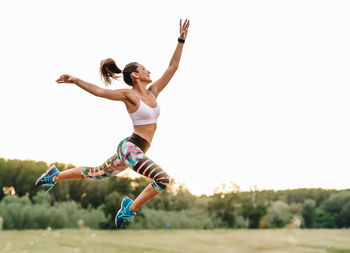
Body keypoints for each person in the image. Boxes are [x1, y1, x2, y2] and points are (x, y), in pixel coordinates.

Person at [35, 19, 190, 228]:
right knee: (162, 179)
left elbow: (173, 67)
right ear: (135, 75)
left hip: (132, 151)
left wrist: (181, 39)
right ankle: (129, 209)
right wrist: (76, 80)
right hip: (131, 149)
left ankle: (54, 177)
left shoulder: (153, 92)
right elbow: (100, 92)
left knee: (95, 173)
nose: (149, 72)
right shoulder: (130, 95)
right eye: (144, 69)